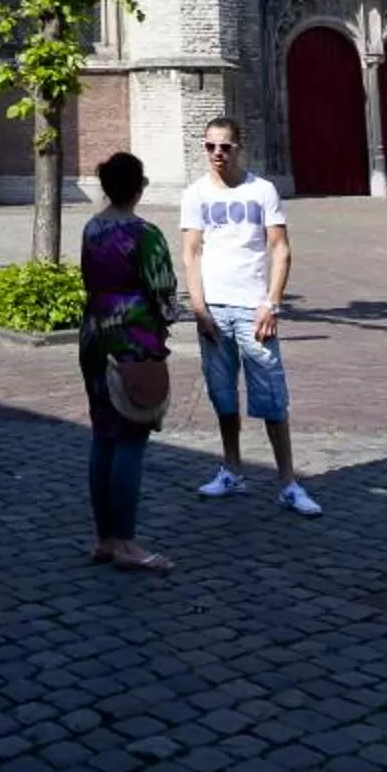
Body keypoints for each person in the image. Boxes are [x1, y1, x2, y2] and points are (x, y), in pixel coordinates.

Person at [178, 116, 322, 517]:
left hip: (253, 308)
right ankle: (232, 470)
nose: (217, 154)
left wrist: (271, 303)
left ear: (240, 147)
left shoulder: (262, 190)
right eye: (210, 147)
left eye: (224, 146)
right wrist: (199, 307)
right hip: (213, 310)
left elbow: (280, 249)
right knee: (223, 395)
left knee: (272, 397)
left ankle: (288, 482)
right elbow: (191, 252)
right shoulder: (195, 194)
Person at [79, 150, 180, 572]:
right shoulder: (144, 234)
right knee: (132, 439)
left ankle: (104, 537)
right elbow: (164, 294)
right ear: (139, 188)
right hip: (132, 340)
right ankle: (125, 541)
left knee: (103, 435)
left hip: (94, 336)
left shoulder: (92, 228)